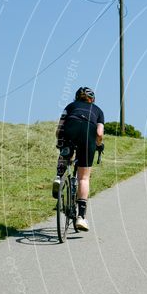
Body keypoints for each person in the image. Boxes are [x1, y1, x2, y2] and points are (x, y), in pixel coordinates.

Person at [52, 86, 105, 232]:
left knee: (65, 153)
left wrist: (61, 141)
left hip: (71, 128)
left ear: (77, 98)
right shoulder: (98, 110)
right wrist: (99, 144)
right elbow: (99, 133)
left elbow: (59, 128)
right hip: (88, 134)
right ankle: (81, 217)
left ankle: (59, 177)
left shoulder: (70, 106)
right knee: (83, 178)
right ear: (92, 99)